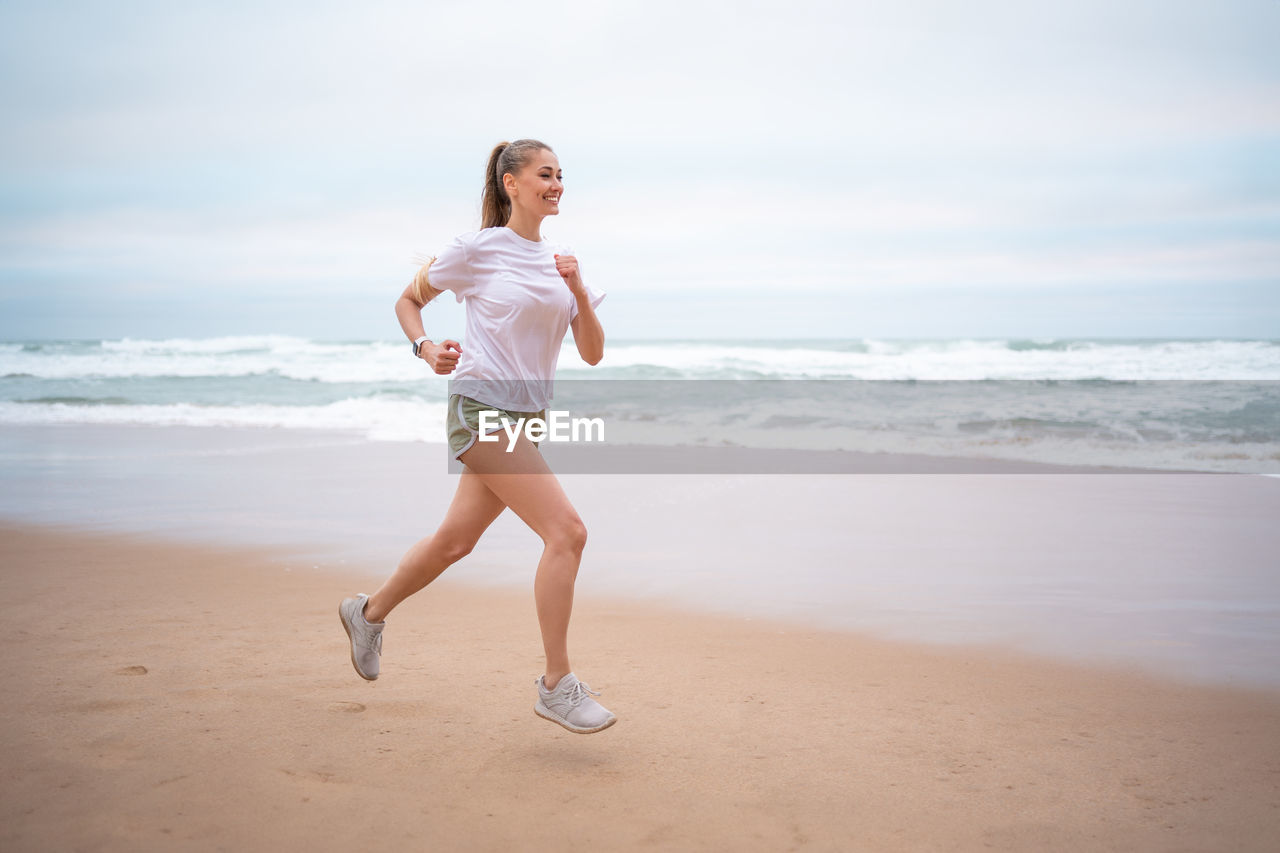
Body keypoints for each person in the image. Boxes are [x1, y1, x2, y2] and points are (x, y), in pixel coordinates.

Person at [338, 139, 614, 734]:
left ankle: (368, 613)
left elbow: (591, 353)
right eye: (545, 174)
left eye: (561, 175)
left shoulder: (561, 263)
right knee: (567, 533)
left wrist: (577, 290)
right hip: (481, 408)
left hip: (527, 418)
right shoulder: (477, 251)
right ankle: (556, 685)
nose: (557, 184)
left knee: (454, 542)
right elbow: (409, 300)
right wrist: (426, 347)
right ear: (511, 183)